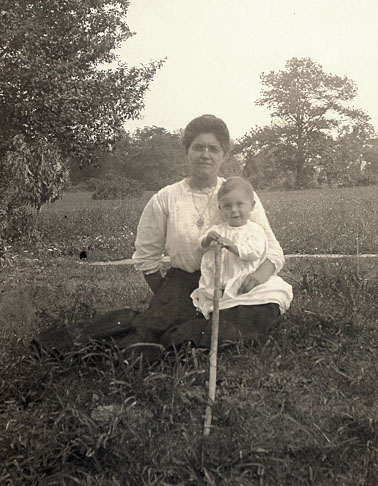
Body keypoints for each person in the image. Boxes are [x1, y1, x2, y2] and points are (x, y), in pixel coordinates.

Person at [126, 114, 292, 356]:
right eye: (198, 147)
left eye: (214, 149)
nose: (206, 154)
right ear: (187, 152)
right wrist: (166, 297)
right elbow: (146, 258)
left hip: (235, 282)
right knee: (151, 332)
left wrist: (257, 277)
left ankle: (194, 334)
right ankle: (183, 330)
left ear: (223, 155)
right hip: (183, 281)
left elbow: (273, 248)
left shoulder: (237, 194)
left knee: (254, 315)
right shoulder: (166, 197)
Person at [191, 176, 292, 320]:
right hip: (222, 284)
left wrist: (232, 246)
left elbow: (254, 251)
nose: (233, 210)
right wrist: (208, 239)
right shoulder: (218, 230)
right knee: (217, 307)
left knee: (261, 300)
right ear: (220, 208)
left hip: (245, 282)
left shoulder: (254, 230)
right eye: (227, 206)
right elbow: (202, 245)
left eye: (240, 204)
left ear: (252, 205)